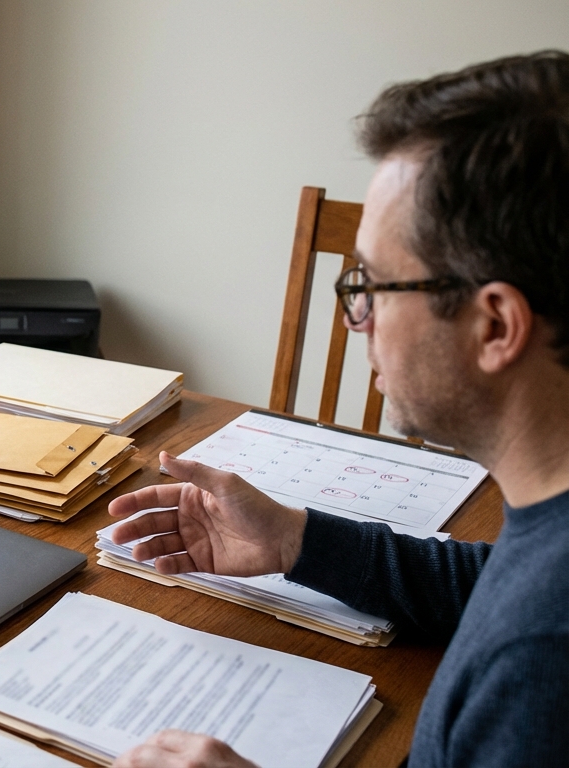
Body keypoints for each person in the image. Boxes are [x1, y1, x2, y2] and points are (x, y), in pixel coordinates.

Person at [108, 51, 569, 768]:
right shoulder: (547, 524)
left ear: (496, 327)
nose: (357, 319)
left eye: (377, 284)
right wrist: (295, 541)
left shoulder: (537, 669)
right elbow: (496, 580)